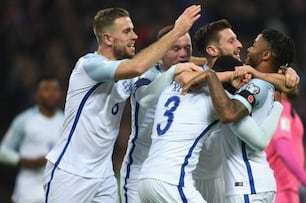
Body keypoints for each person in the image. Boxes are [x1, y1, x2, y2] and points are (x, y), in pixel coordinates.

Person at [43, 5, 202, 203]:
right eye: (127, 31)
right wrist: (177, 30)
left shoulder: (126, 74)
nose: (134, 36)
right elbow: (138, 66)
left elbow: (167, 59)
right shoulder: (89, 65)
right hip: (70, 171)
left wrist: (213, 59)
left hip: (104, 176)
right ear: (108, 38)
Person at [188, 19, 299, 203]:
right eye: (231, 41)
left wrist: (284, 72)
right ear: (212, 50)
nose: (242, 46)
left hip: (244, 184)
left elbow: (230, 115)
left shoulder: (253, 83)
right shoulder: (192, 74)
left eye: (252, 44)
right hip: (212, 178)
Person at [120, 24, 198, 203]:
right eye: (176, 48)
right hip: (139, 170)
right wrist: (173, 72)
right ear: (162, 51)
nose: (183, 54)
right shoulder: (147, 73)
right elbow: (145, 98)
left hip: (173, 172)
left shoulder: (194, 77)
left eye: (187, 48)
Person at [0, 74, 63, 203]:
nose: (51, 94)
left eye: (55, 90)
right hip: (28, 193)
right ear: (37, 94)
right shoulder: (24, 120)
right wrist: (28, 161)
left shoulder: (66, 121)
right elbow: (3, 152)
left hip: (56, 192)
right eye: (46, 89)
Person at [265, 89, 306, 203]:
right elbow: (284, 151)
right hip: (279, 190)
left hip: (287, 191)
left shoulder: (287, 109)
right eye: (290, 76)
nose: (296, 81)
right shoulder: (280, 108)